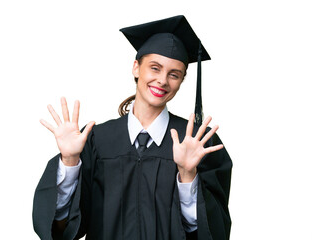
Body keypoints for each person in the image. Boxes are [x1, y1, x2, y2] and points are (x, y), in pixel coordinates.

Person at [33, 15, 232, 240]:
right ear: (136, 67)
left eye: (174, 75)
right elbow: (63, 229)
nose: (163, 81)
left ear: (182, 80)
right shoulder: (97, 140)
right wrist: (69, 162)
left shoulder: (198, 142)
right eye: (154, 68)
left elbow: (212, 233)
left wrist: (187, 175)